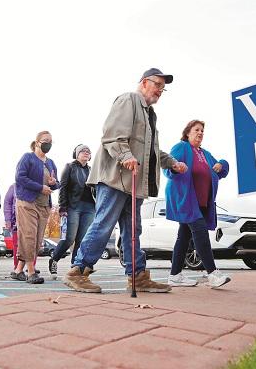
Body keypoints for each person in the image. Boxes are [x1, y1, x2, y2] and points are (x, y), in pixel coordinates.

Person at [65, 68, 187, 293]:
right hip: (115, 178)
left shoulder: (150, 114)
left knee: (133, 230)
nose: (160, 90)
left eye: (163, 87)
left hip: (133, 182)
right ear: (143, 83)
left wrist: (172, 163)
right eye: (157, 84)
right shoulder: (128, 100)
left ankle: (137, 275)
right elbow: (111, 136)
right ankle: (78, 271)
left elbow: (151, 151)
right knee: (103, 224)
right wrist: (126, 156)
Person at [164, 120, 231, 288]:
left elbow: (222, 170)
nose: (200, 133)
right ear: (188, 133)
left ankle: (175, 275)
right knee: (200, 232)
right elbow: (167, 167)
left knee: (184, 237)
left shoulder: (205, 154)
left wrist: (221, 163)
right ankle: (213, 274)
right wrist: (175, 167)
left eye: (202, 130)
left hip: (201, 202)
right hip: (185, 199)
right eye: (197, 130)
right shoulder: (181, 147)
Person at [11, 131, 60, 284]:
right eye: (45, 140)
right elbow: (20, 177)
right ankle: (31, 272)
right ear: (37, 142)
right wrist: (40, 187)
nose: (48, 143)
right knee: (29, 236)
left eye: (51, 141)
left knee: (37, 239)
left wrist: (53, 183)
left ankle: (18, 270)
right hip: (27, 202)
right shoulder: (28, 158)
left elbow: (56, 183)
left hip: (44, 205)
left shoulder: (50, 162)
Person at [49, 144, 95, 277]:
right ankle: (54, 259)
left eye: (88, 151)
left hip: (89, 208)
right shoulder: (69, 167)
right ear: (76, 154)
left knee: (82, 240)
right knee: (69, 238)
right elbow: (63, 187)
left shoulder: (92, 170)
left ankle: (76, 268)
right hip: (73, 206)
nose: (86, 153)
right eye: (83, 151)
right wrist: (63, 207)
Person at [4, 183, 37, 274]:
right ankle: (17, 267)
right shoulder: (13, 187)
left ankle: (31, 267)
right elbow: (7, 203)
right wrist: (8, 219)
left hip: (32, 219)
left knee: (33, 242)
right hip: (16, 221)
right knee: (17, 245)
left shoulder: (35, 186)